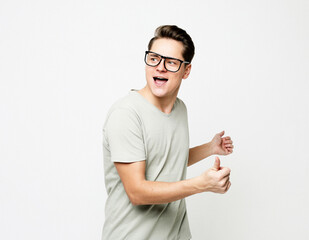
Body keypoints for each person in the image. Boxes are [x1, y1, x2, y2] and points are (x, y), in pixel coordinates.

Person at [102, 25, 234, 240]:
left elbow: (167, 159)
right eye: (154, 58)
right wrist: (201, 184)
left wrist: (210, 148)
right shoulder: (126, 114)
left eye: (171, 62)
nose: (160, 67)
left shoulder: (180, 109)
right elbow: (137, 192)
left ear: (186, 70)